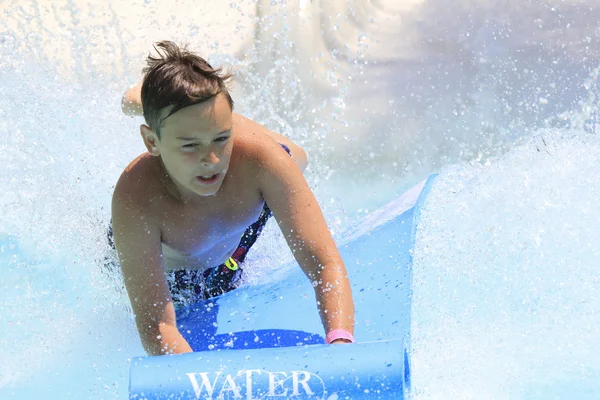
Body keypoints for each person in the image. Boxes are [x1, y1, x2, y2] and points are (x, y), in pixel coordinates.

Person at [111, 41, 355, 356]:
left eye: (222, 138)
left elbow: (325, 265)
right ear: (151, 142)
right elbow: (158, 325)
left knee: (293, 158)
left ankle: (195, 115)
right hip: (175, 277)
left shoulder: (259, 160)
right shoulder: (136, 197)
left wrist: (340, 342)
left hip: (230, 255)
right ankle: (144, 99)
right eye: (189, 146)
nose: (211, 160)